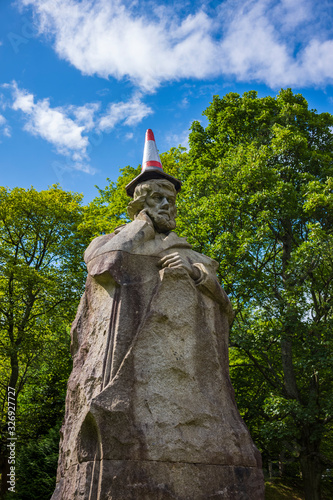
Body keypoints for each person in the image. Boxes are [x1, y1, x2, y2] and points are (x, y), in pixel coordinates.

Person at [52, 131, 264, 500]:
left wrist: (195, 273)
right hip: (122, 389)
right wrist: (141, 228)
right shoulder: (108, 241)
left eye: (172, 200)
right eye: (158, 198)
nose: (168, 205)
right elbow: (104, 265)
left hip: (194, 390)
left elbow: (224, 308)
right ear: (138, 206)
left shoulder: (194, 254)